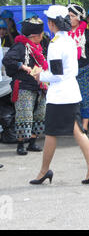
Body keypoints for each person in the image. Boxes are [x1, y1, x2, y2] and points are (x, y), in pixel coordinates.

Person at [30, 5, 89, 185]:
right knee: (78, 131)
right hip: (71, 92)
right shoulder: (69, 40)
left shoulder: (55, 44)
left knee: (52, 133)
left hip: (60, 95)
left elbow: (56, 74)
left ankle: (44, 171)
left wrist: (39, 75)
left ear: (52, 23)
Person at [2, 17, 47, 155]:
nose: (42, 37)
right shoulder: (20, 46)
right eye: (41, 35)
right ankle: (21, 144)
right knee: (24, 116)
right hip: (24, 86)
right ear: (34, 36)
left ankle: (33, 142)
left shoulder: (40, 47)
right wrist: (21, 66)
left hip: (39, 86)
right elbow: (7, 59)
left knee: (39, 114)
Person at [68, 4, 89, 133]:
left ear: (78, 18)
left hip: (85, 69)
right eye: (68, 16)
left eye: (72, 16)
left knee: (86, 97)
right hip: (68, 72)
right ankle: (73, 125)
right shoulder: (64, 34)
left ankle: (85, 125)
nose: (69, 18)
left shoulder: (87, 33)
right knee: (70, 98)